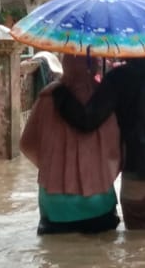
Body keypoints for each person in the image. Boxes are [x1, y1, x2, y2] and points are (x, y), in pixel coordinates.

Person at [52, 54, 145, 233]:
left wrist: (60, 93)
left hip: (136, 184)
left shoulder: (117, 78)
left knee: (139, 255)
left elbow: (88, 121)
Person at [18, 55, 122, 235]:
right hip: (99, 203)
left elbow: (26, 144)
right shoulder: (106, 98)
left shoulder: (47, 97)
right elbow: (118, 150)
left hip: (55, 206)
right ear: (94, 65)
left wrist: (51, 169)